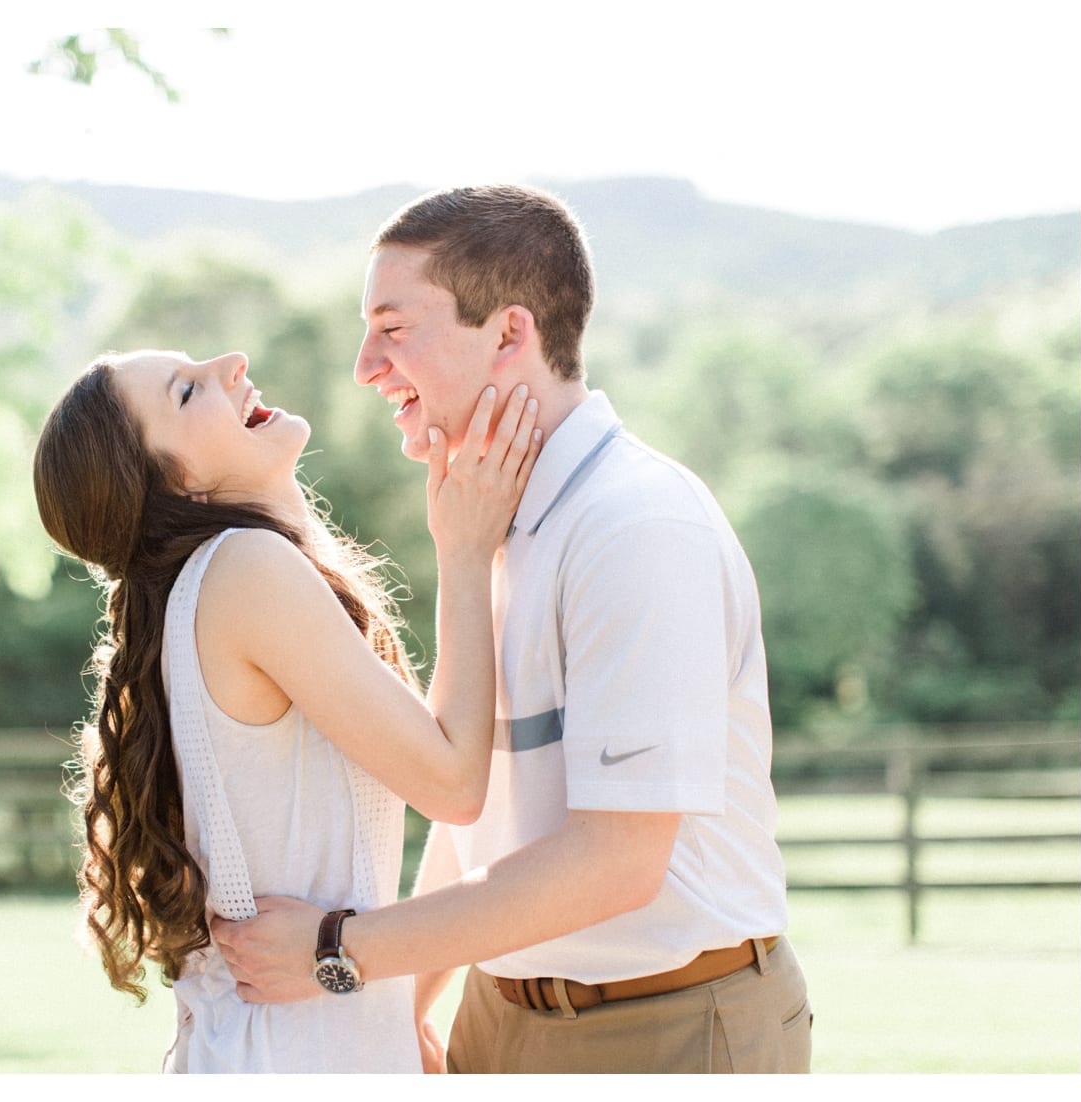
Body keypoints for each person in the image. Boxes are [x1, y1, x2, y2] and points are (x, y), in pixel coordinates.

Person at [210, 184, 813, 1074]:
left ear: (508, 334)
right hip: (496, 1021)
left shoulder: (635, 528)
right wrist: (393, 1012)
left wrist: (341, 948)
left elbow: (615, 861)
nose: (364, 366)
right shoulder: (494, 523)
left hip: (670, 1028)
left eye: (394, 327)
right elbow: (482, 816)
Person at [31, 346, 541, 1072]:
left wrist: (397, 1010)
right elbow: (455, 784)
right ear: (181, 486)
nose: (231, 363)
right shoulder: (246, 572)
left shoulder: (230, 578)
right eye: (186, 391)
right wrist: (466, 550)